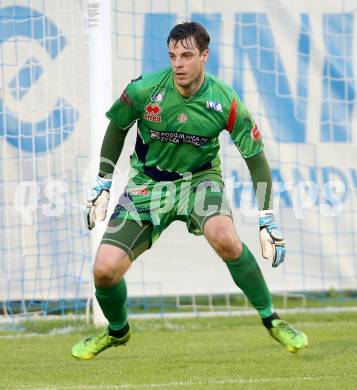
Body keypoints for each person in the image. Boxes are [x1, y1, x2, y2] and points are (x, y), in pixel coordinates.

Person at [71, 21, 308, 360]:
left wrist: (267, 217)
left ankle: (272, 319)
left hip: (200, 182)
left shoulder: (225, 100)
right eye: (172, 56)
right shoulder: (144, 91)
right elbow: (117, 128)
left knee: (226, 238)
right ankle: (117, 331)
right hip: (147, 184)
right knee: (104, 270)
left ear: (204, 56)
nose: (178, 64)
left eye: (186, 55)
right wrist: (104, 180)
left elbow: (255, 159)